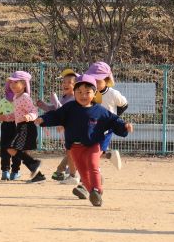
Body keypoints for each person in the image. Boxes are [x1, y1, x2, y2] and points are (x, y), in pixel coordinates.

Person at [35, 74, 134, 207]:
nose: (83, 95)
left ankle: (96, 191)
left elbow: (114, 120)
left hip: (93, 145)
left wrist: (124, 126)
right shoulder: (70, 108)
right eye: (79, 92)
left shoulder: (100, 111)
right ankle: (94, 192)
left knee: (93, 166)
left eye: (87, 92)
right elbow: (56, 115)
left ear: (95, 93)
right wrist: (44, 119)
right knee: (83, 173)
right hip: (75, 147)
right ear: (74, 93)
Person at [84, 61, 128, 170]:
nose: (95, 83)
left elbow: (124, 104)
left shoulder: (113, 94)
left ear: (107, 80)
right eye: (93, 80)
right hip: (92, 126)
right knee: (91, 150)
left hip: (106, 127)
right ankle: (109, 156)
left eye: (98, 80)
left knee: (95, 152)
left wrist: (114, 118)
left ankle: (93, 172)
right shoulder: (91, 93)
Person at [38, 68, 79, 184]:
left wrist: (56, 102)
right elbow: (54, 109)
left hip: (75, 128)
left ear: (76, 85)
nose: (65, 84)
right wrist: (44, 106)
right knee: (71, 150)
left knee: (73, 150)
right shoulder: (64, 97)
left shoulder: (75, 98)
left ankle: (65, 171)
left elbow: (62, 110)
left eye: (69, 83)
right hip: (68, 128)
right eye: (64, 82)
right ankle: (65, 170)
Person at [3, 71, 46, 183]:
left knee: (11, 148)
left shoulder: (25, 97)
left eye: (15, 82)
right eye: (11, 82)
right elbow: (17, 115)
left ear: (24, 84)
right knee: (24, 153)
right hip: (22, 127)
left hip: (26, 127)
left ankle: (34, 164)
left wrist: (29, 116)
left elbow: (34, 111)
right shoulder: (16, 97)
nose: (12, 85)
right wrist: (6, 117)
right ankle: (39, 175)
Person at [0, 84, 23, 181]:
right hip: (18, 125)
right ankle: (15, 172)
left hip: (6, 125)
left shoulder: (3, 101)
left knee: (5, 148)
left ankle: (5, 172)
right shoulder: (21, 99)